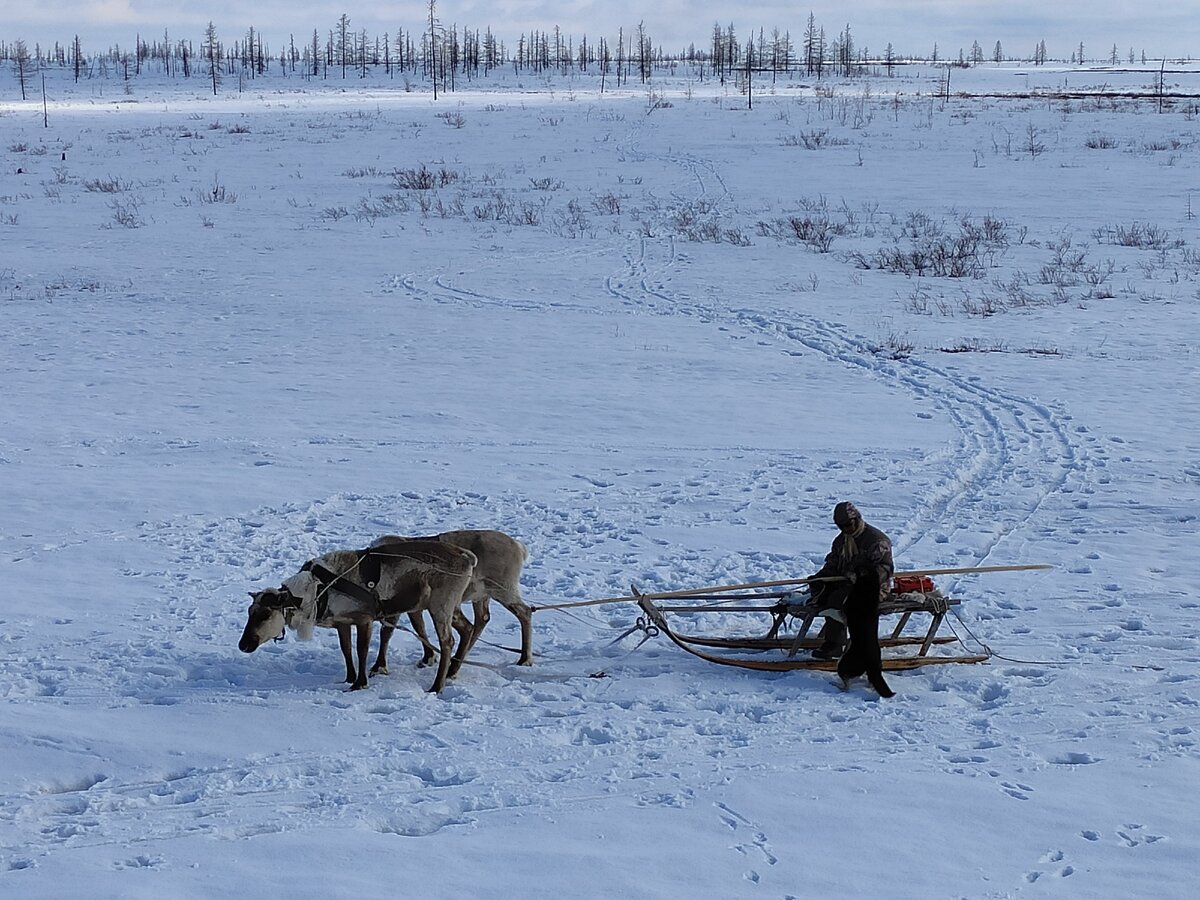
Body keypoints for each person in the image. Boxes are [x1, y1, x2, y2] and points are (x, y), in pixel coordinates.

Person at [808, 501, 894, 660]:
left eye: (848, 524)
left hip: (874, 588)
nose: (845, 529)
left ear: (857, 519)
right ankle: (834, 639)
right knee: (825, 595)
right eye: (841, 526)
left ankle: (837, 644)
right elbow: (833, 564)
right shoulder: (841, 541)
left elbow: (884, 569)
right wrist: (820, 578)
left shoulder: (876, 541)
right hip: (845, 584)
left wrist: (857, 577)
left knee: (840, 599)